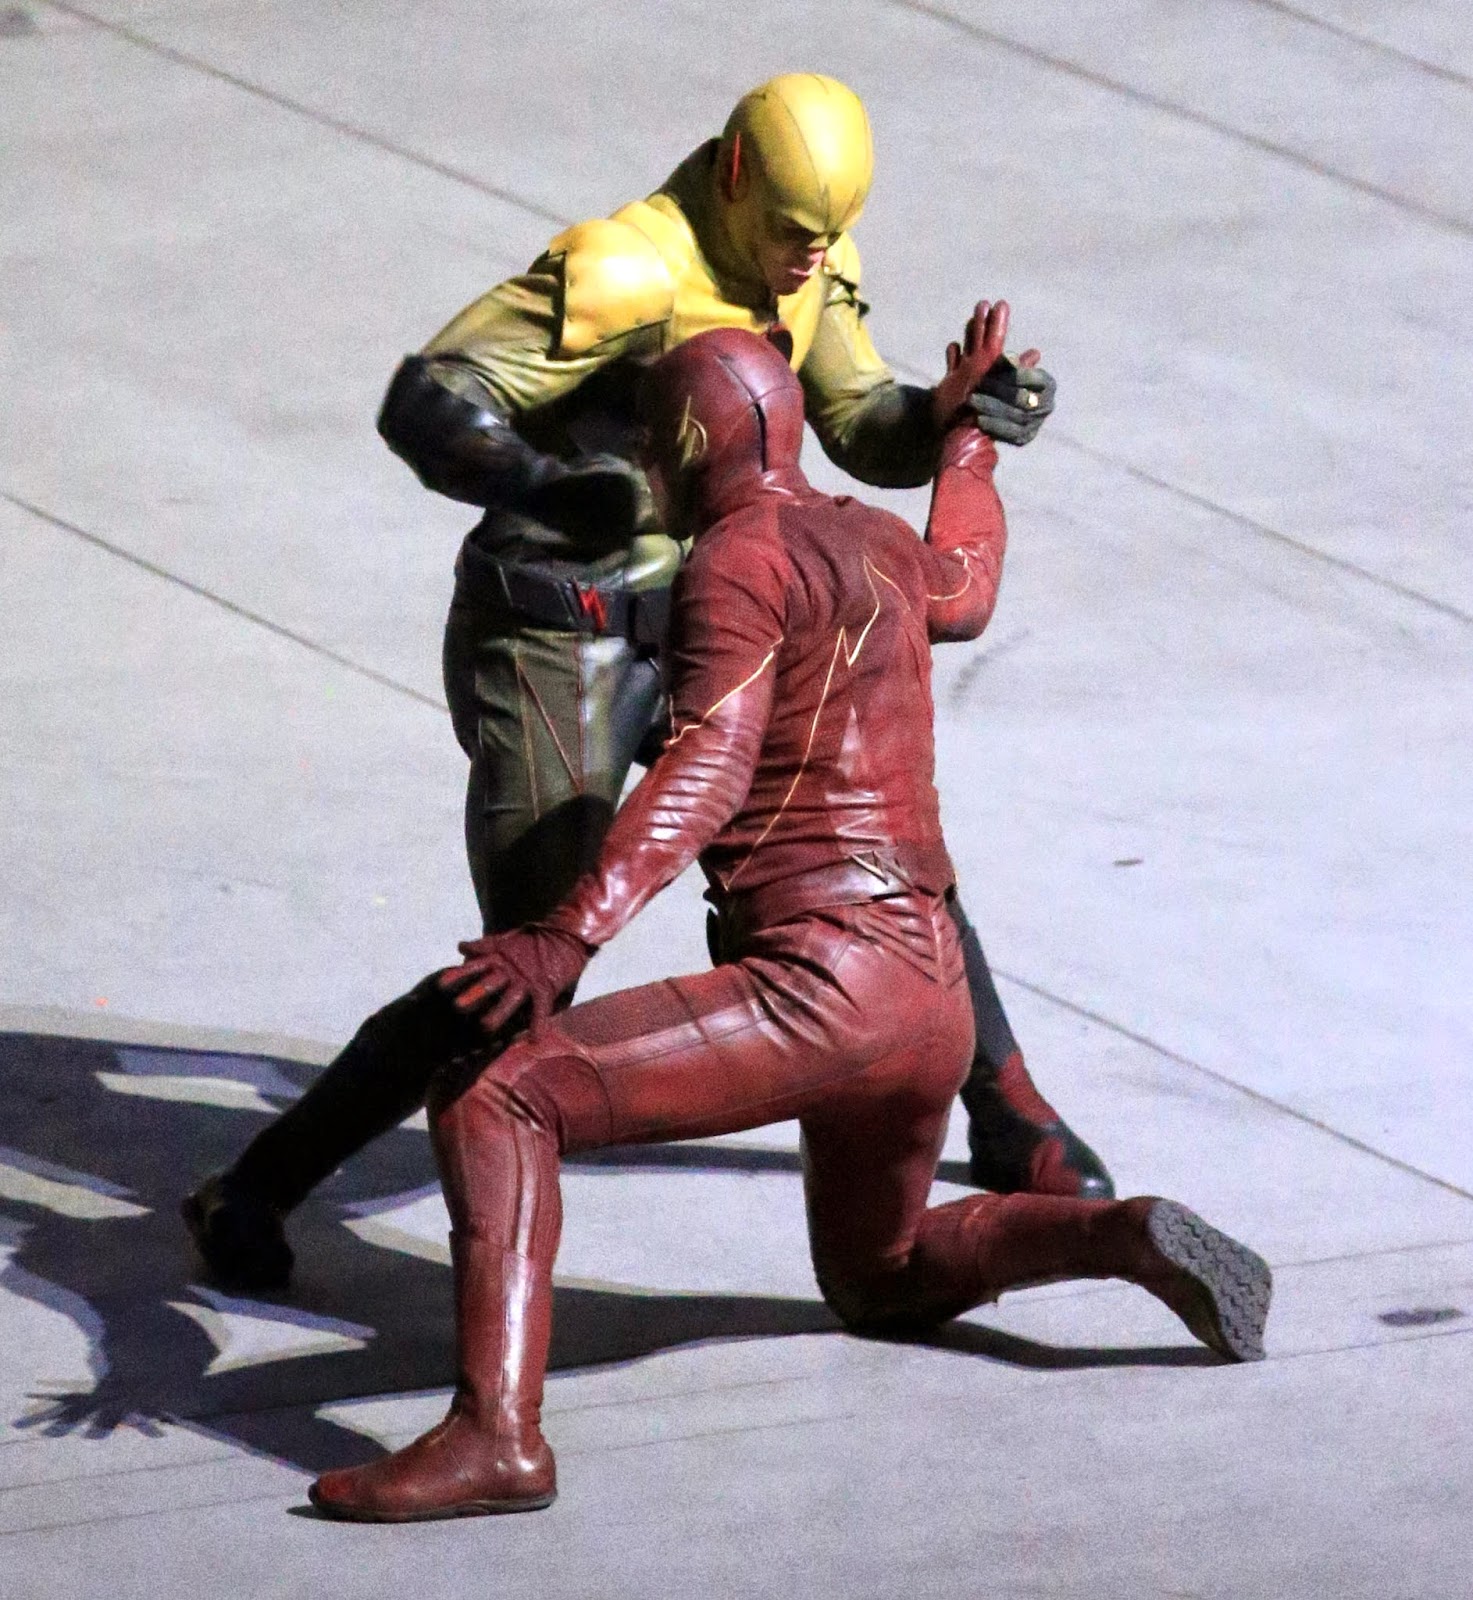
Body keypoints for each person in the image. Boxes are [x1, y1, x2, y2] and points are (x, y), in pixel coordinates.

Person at [306, 318, 1270, 1521]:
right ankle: (1121, 1236)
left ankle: (496, 1432)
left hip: (823, 985)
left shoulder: (735, 563)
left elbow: (708, 767)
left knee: (498, 1095)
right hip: (934, 995)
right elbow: (967, 584)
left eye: (653, 445)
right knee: (881, 1274)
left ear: (684, 445)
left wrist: (568, 933)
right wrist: (967, 444)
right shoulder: (876, 538)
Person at [184, 73, 1110, 1295]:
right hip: (562, 632)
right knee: (529, 960)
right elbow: (428, 401)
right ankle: (259, 1182)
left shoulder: (812, 257)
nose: (809, 255)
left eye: (827, 234)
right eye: (790, 230)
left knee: (871, 840)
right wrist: (543, 484)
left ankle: (1007, 1107)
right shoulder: (625, 270)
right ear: (733, 175)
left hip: (716, 614)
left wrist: (946, 415)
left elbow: (850, 423)